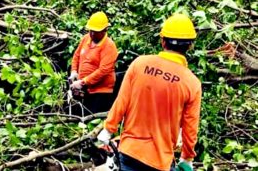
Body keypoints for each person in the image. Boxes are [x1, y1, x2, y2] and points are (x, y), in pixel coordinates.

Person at [97, 14, 202, 171]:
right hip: (160, 160)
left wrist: (108, 129)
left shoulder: (140, 64)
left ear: (162, 40)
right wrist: (187, 158)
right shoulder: (192, 83)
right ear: (190, 46)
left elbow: (122, 101)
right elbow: (190, 128)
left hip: (130, 152)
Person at [69, 11, 118, 116]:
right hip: (85, 90)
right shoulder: (86, 39)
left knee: (93, 118)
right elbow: (76, 56)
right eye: (91, 30)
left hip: (100, 92)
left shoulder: (109, 46)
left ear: (104, 30)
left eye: (95, 31)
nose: (92, 34)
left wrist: (82, 82)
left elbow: (103, 71)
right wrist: (74, 71)